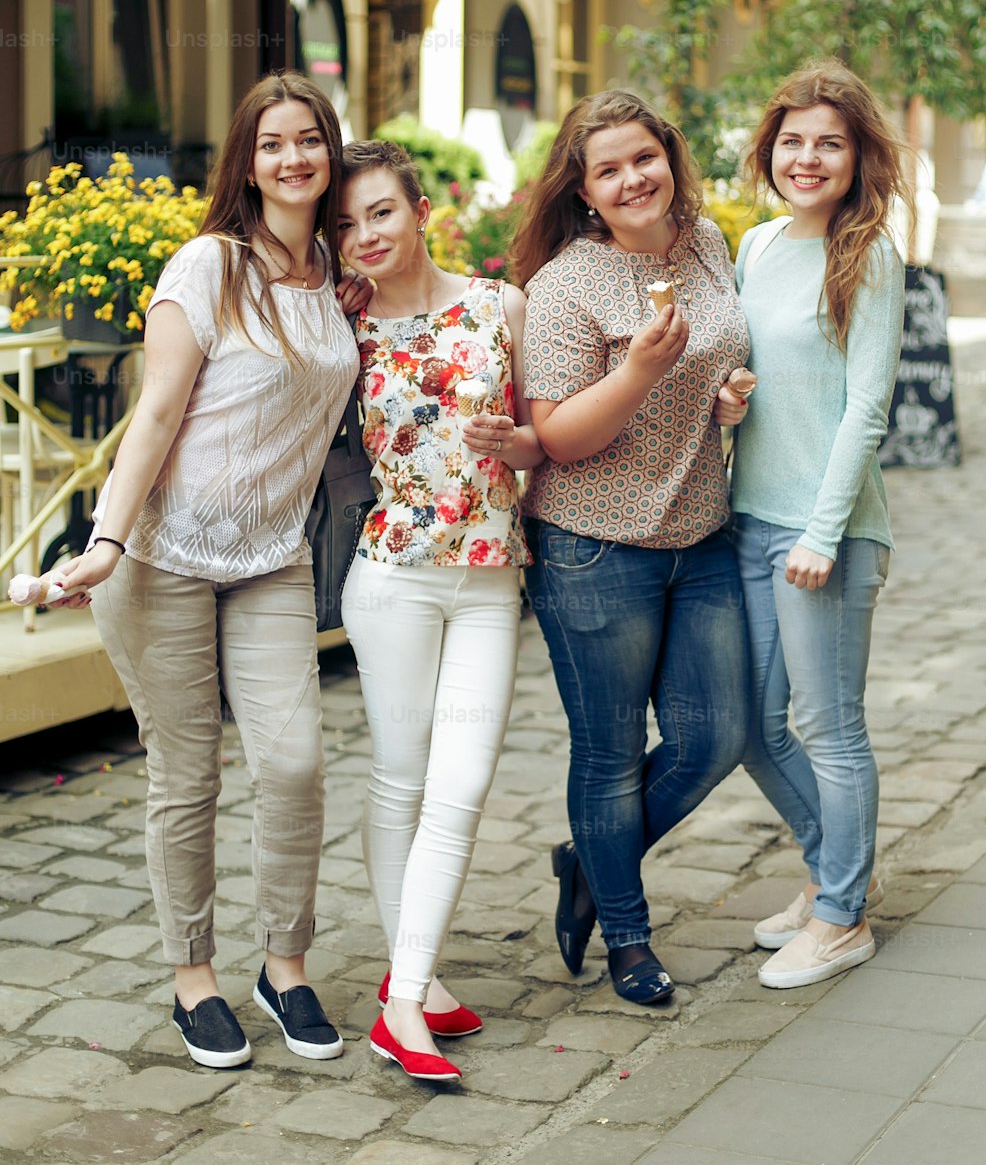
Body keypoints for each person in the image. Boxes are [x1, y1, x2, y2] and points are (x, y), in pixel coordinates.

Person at [56, 72, 363, 1067]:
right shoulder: (208, 267)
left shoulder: (337, 269)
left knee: (292, 763)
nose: (292, 158)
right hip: (165, 558)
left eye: (308, 140)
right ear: (246, 160)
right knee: (186, 779)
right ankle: (195, 977)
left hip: (271, 560)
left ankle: (287, 965)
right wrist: (104, 541)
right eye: (272, 142)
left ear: (330, 152)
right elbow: (153, 414)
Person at [508, 89, 751, 1006]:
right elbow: (560, 438)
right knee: (607, 755)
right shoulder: (565, 287)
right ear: (585, 188)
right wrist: (643, 368)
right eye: (608, 168)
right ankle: (627, 937)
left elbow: (722, 351)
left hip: (702, 532)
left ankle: (588, 857)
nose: (632, 178)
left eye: (643, 158)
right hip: (594, 547)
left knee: (713, 736)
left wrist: (729, 389)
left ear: (669, 158)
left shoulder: (705, 242)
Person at [337, 139, 543, 1082]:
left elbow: (547, 435)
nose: (363, 234)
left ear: (422, 210)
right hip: (393, 582)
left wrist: (525, 441)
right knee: (401, 782)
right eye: (344, 224)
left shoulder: (501, 306)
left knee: (459, 789)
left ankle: (405, 998)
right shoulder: (343, 325)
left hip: (491, 579)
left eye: (380, 211)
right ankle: (409, 991)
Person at [731, 60, 907, 989]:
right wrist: (729, 398)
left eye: (828, 144)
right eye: (793, 141)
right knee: (756, 726)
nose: (808, 158)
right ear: (771, 150)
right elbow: (754, 376)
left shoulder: (869, 252)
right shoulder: (756, 245)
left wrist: (823, 534)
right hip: (751, 517)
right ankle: (834, 863)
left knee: (829, 726)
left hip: (824, 535)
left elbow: (866, 411)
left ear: (856, 155)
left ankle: (842, 918)